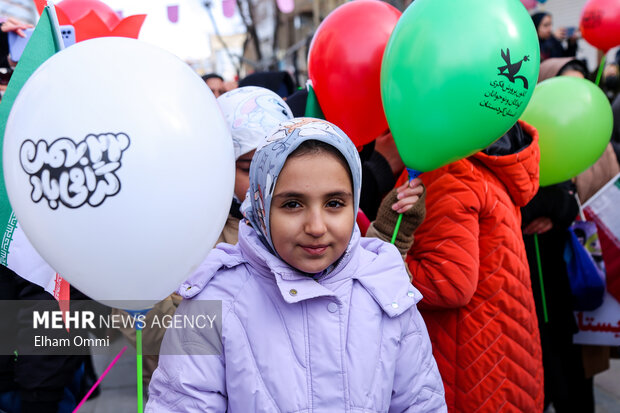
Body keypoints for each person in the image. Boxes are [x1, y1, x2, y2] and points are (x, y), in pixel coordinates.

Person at [145, 118, 446, 412]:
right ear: (262, 208)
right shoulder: (214, 302)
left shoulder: (385, 290)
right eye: (292, 204)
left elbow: (420, 401)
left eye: (334, 203)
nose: (316, 226)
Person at [390, 120, 545, 412]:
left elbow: (448, 284)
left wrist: (383, 262)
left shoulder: (449, 170)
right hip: (502, 356)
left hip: (467, 368)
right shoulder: (486, 165)